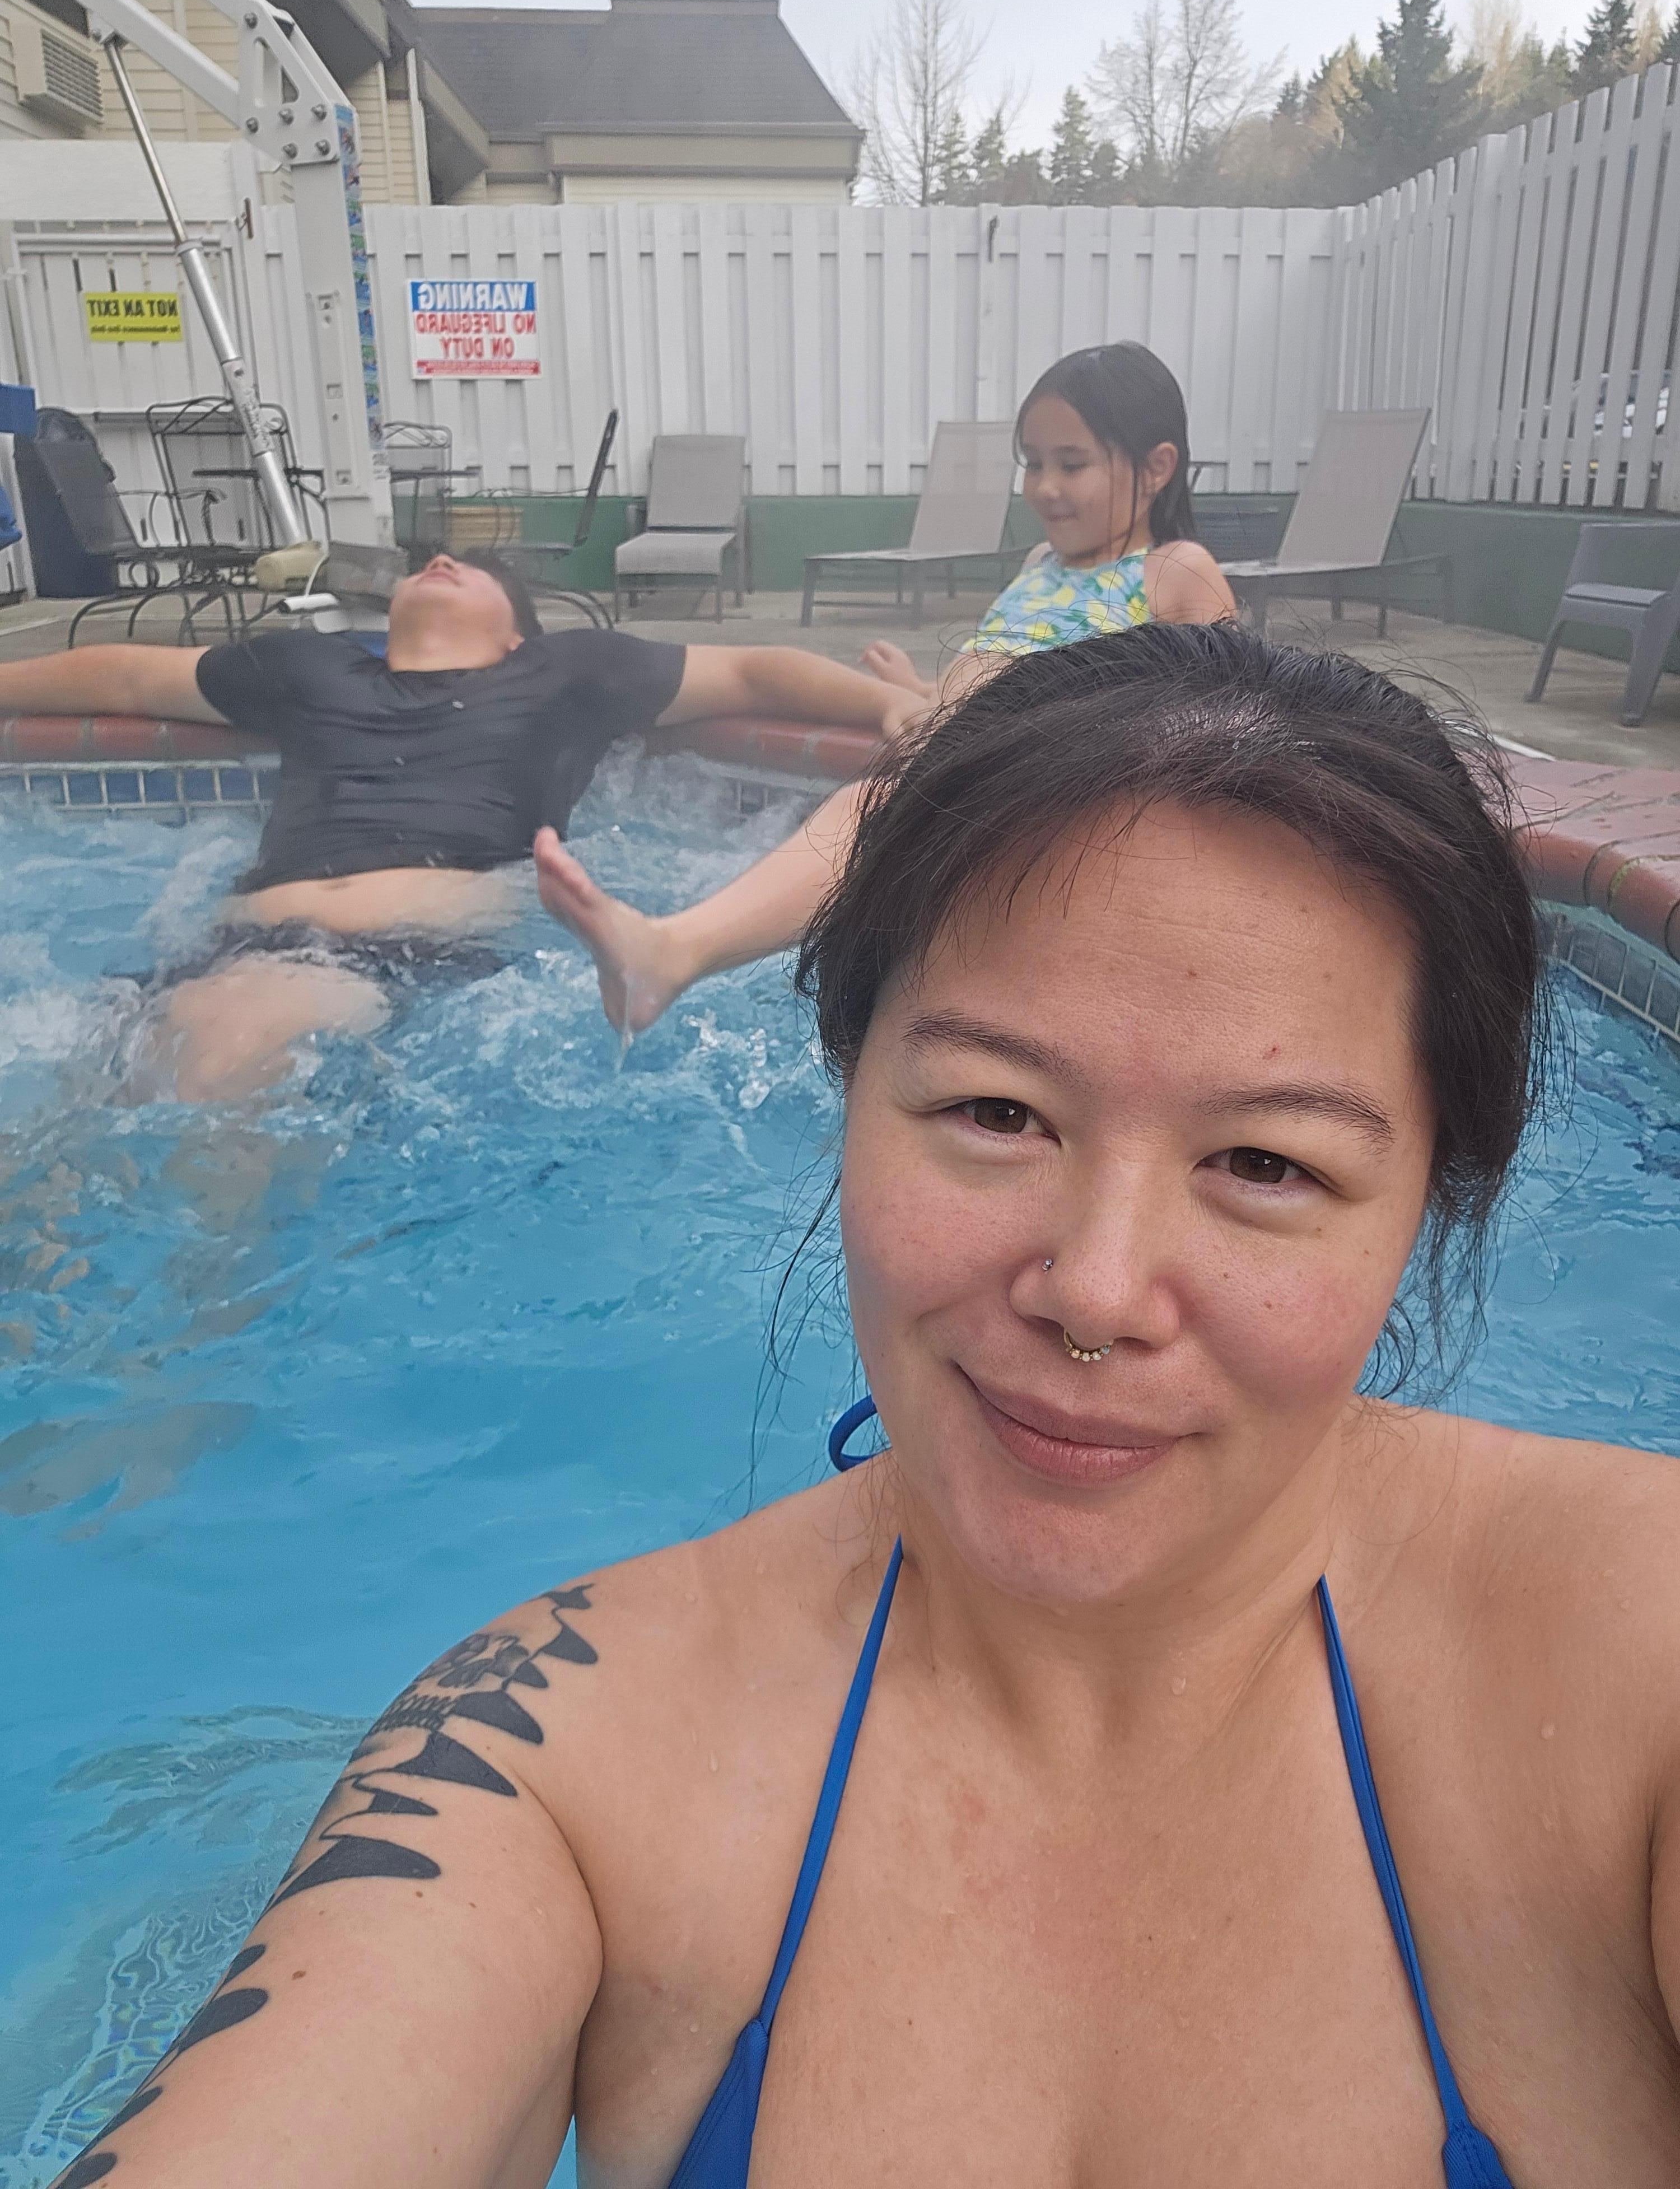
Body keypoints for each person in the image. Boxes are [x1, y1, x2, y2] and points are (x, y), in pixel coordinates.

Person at [52, 622, 1680, 2189]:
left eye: (1264, 1161)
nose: (1095, 1288)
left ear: (1430, 1201)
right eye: (995, 1111)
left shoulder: (1634, 1667)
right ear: (847, 1092)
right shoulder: (566, 1760)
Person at [0, 551, 930, 1100]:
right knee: (64, 1119)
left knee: (215, 1076)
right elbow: (127, 676)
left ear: (517, 631)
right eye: (428, 564)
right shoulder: (309, 668)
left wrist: (887, 705)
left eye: (475, 571)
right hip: (229, 944)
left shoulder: (567, 671)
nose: (441, 562)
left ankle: (192, 1341)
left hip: (393, 949)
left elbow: (755, 672)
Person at [538, 340, 1239, 1035]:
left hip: (1051, 796)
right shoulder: (1040, 563)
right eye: (1032, 463)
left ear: (1156, 468)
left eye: (1072, 464)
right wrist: (927, 690)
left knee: (862, 812)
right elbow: (1015, 662)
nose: (1044, 487)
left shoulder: (1175, 569)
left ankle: (673, 952)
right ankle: (677, 950)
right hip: (976, 767)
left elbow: (1226, 714)